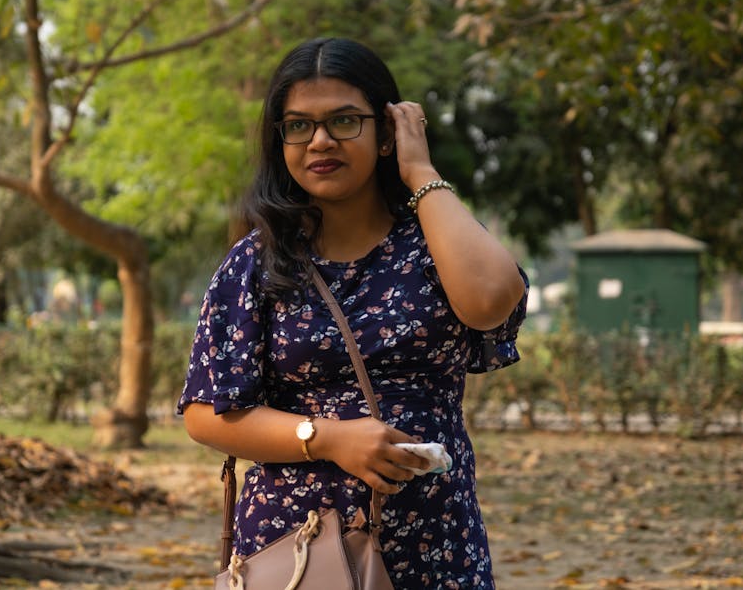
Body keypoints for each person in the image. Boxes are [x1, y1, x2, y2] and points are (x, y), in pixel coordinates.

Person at [177, 37, 527, 589]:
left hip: (434, 542)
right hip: (299, 547)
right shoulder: (256, 262)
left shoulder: (434, 243)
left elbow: (489, 303)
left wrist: (420, 172)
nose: (320, 141)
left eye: (344, 121)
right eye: (298, 125)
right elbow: (206, 413)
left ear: (385, 132)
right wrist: (330, 438)